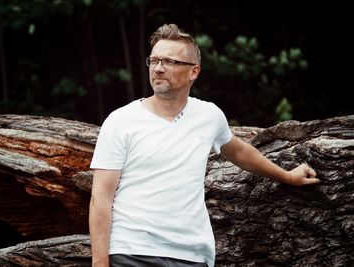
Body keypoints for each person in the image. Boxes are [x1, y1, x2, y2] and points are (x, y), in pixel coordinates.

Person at [89, 23, 320, 267]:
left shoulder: (208, 116)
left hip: (192, 256)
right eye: (154, 60)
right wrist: (99, 263)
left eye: (169, 61)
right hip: (133, 252)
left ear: (193, 72)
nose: (158, 68)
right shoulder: (120, 120)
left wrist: (287, 176)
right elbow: (101, 196)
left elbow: (239, 151)